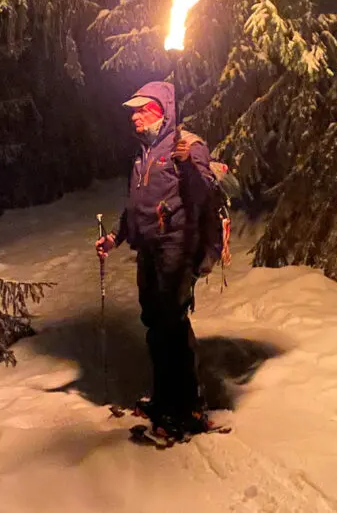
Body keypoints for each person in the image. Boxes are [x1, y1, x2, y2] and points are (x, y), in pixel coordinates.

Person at [95, 80, 216, 438]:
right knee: (154, 322)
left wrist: (188, 164)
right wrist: (115, 237)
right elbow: (136, 206)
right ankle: (164, 399)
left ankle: (189, 407)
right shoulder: (143, 154)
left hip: (177, 245)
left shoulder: (187, 146)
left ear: (160, 112)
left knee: (172, 324)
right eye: (132, 111)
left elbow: (203, 194)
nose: (134, 117)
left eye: (141, 110)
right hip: (148, 248)